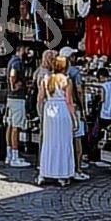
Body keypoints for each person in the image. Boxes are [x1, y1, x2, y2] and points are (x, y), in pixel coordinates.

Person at [38, 55, 79, 186]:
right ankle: (62, 174)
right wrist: (75, 118)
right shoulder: (67, 80)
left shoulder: (46, 79)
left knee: (48, 142)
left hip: (49, 109)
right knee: (64, 142)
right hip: (62, 110)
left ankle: (45, 172)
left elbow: (40, 98)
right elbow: (69, 101)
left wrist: (41, 113)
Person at [60, 47, 91, 181]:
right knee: (77, 139)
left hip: (61, 110)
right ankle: (77, 169)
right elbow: (79, 92)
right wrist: (84, 109)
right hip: (74, 108)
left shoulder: (56, 74)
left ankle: (67, 167)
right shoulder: (74, 72)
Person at [4, 51, 30, 167]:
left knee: (10, 125)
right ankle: (15, 156)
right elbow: (13, 74)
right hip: (17, 98)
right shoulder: (17, 62)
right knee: (16, 127)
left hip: (11, 98)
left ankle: (9, 154)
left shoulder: (11, 60)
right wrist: (13, 86)